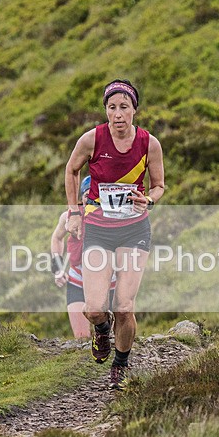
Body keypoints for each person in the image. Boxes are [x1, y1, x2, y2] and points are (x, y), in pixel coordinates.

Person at [63, 79, 165, 389]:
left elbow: (159, 185)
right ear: (106, 110)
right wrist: (74, 212)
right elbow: (71, 170)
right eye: (112, 108)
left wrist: (148, 199)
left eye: (124, 107)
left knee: (124, 304)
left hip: (134, 230)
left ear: (134, 109)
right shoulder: (92, 139)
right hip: (98, 230)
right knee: (94, 308)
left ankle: (120, 366)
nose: (118, 114)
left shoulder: (150, 144)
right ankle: (102, 330)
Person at [50, 176, 115, 338]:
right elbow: (57, 238)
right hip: (77, 279)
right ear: (82, 197)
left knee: (112, 337)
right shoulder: (70, 216)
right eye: (88, 194)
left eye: (96, 195)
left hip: (109, 281)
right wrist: (57, 268)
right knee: (81, 338)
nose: (92, 199)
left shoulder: (113, 216)